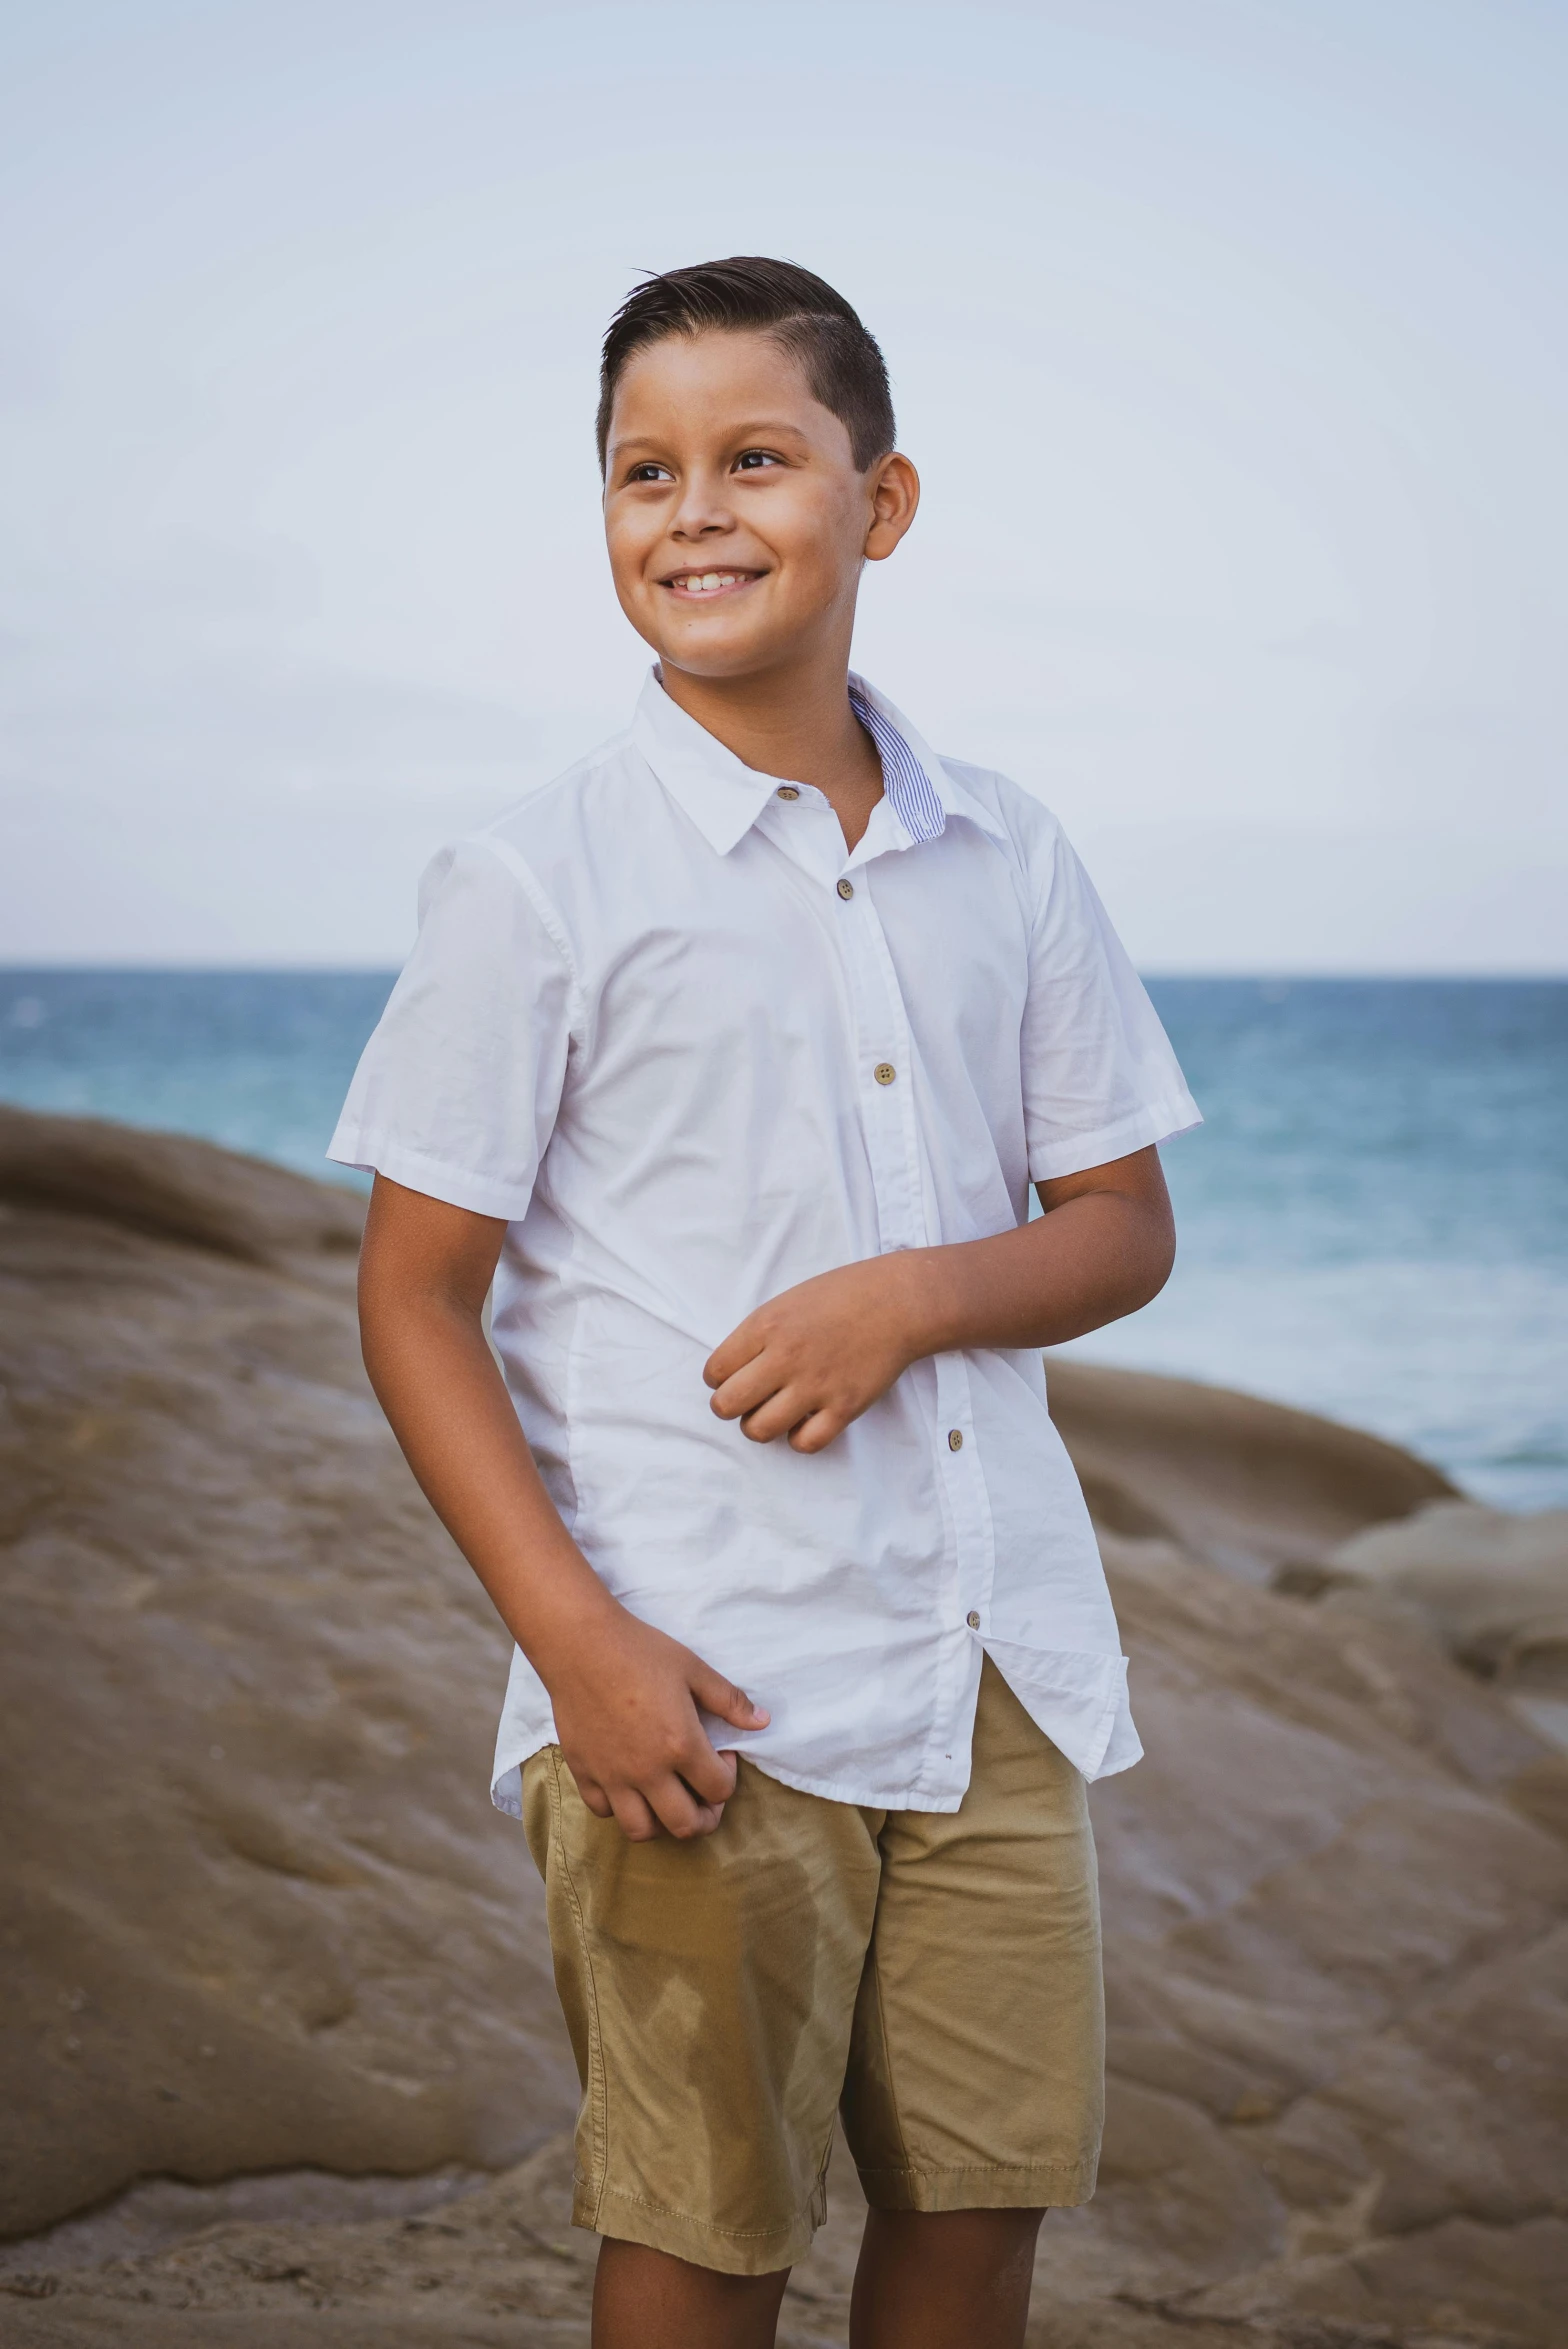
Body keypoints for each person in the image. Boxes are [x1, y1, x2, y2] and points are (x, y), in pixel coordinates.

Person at [331, 255, 1199, 2349]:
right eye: (645, 470)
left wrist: (910, 1296)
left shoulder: (1011, 851)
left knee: (979, 2216)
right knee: (704, 2233)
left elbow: (1121, 1224)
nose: (694, 511)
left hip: (989, 1666)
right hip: (701, 1681)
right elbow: (415, 1302)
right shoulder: (537, 876)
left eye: (755, 460)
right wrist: (578, 1644)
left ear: (878, 504)